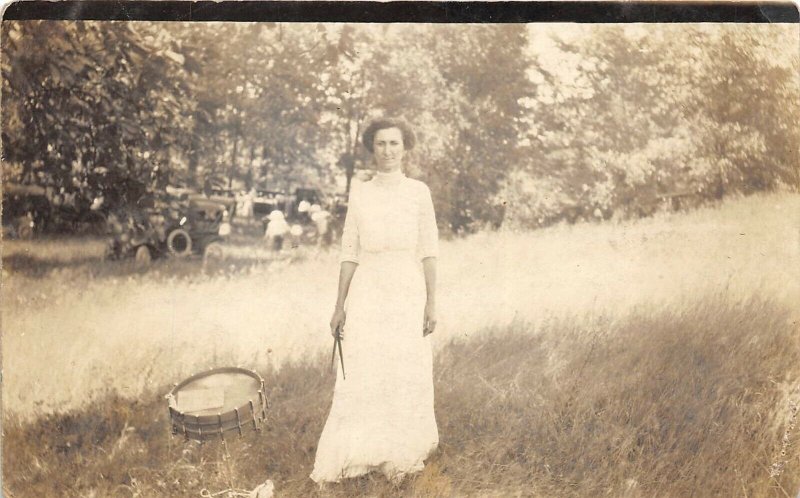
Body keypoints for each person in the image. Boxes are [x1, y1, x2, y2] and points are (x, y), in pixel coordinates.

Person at [310, 118, 439, 484]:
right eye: (381, 144)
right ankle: (362, 451)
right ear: (372, 148)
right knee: (367, 368)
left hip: (405, 289)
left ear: (405, 147)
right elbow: (349, 251)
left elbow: (429, 250)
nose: (387, 151)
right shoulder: (361, 193)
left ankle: (399, 455)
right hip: (369, 290)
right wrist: (339, 305)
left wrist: (431, 302)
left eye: (394, 144)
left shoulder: (418, 192)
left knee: (402, 368)